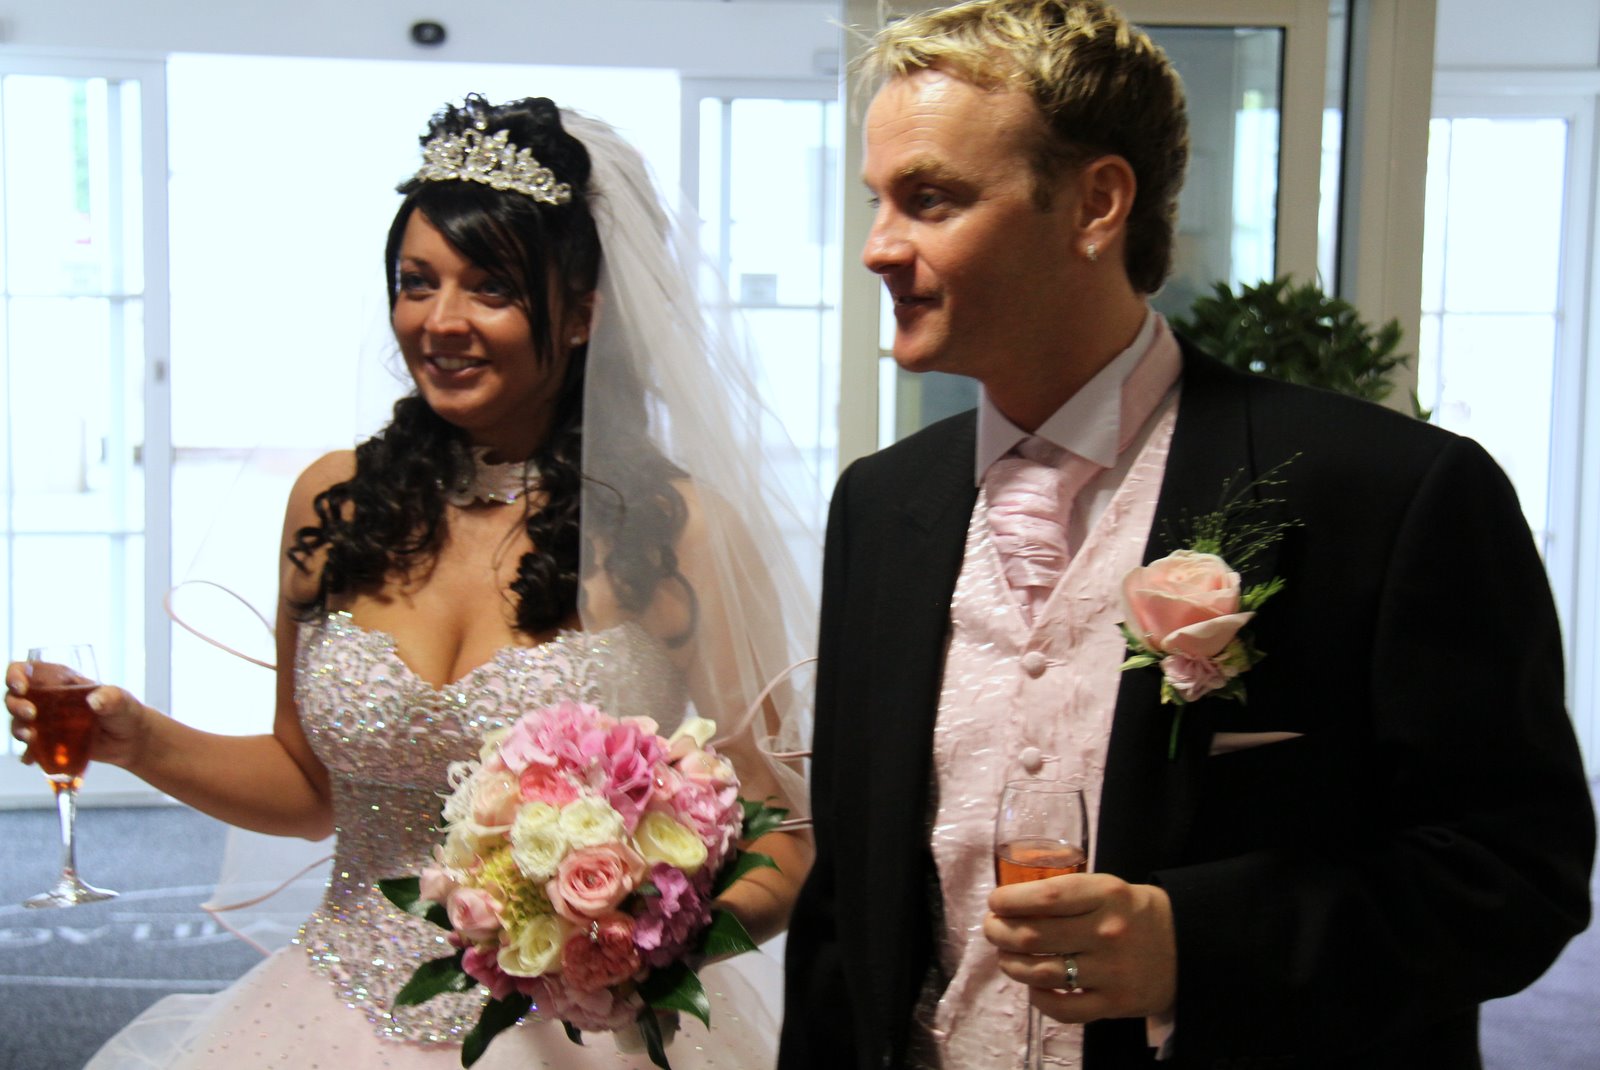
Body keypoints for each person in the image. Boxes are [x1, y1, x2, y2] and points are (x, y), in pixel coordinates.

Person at [779, 2, 1595, 1068]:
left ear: (1095, 203)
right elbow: (851, 906)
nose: (878, 246)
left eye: (929, 200)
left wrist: (1197, 940)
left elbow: (1514, 873)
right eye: (877, 202)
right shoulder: (880, 508)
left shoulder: (1392, 493)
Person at [7, 95, 816, 1068]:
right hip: (333, 1010)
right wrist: (141, 738)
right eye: (414, 282)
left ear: (582, 310)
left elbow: (785, 829)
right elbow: (309, 785)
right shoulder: (334, 503)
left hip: (585, 1038)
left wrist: (649, 937)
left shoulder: (674, 532)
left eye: (490, 288)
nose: (439, 322)